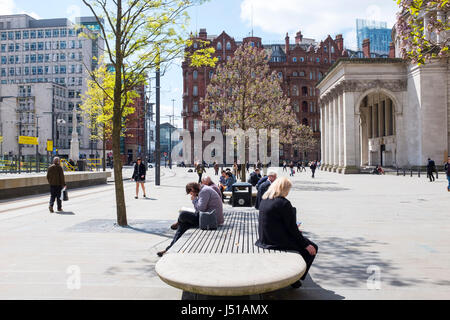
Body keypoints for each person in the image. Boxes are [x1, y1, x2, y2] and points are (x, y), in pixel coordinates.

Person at [256, 177, 318, 288]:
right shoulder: (283, 203)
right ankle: (294, 278)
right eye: (288, 189)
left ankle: (293, 277)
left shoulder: (265, 199)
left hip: (264, 238)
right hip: (276, 241)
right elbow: (292, 229)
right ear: (284, 189)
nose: (288, 192)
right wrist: (306, 244)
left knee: (302, 241)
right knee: (312, 248)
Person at [157, 182, 223, 257]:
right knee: (183, 224)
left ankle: (178, 223)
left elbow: (200, 208)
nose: (191, 195)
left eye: (191, 193)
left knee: (183, 215)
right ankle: (168, 249)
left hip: (210, 219)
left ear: (192, 189)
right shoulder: (204, 190)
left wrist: (194, 200)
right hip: (208, 216)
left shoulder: (204, 191)